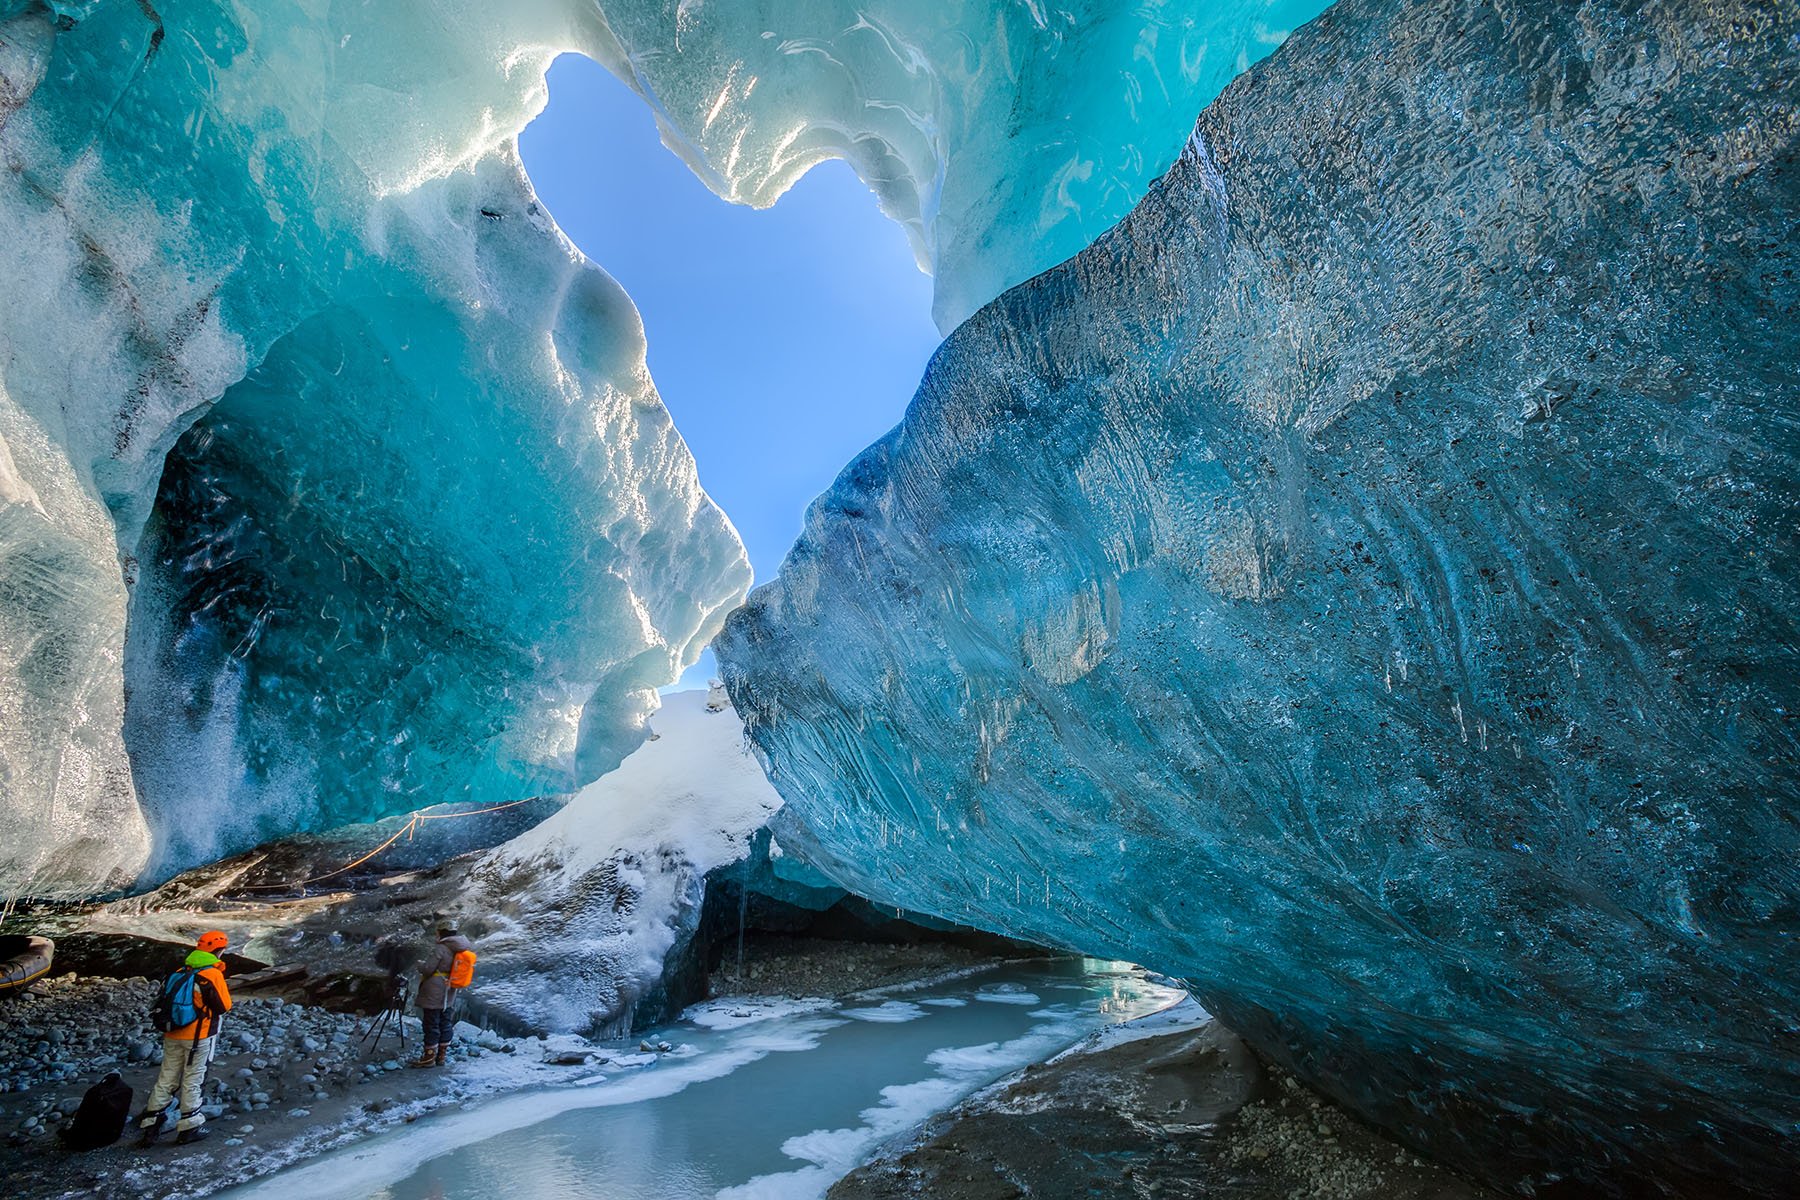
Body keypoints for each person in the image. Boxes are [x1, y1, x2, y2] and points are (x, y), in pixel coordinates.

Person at [137, 930, 233, 1145]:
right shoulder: (212, 974)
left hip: (173, 1032)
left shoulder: (181, 971)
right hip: (199, 1035)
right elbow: (223, 1006)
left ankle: (151, 1125)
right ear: (219, 950)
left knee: (167, 1076)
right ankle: (189, 1126)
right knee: (194, 1078)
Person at [412, 920, 473, 1069]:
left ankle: (428, 1057)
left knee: (431, 1021)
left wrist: (419, 964)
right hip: (450, 988)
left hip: (435, 988)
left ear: (441, 932)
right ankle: (441, 1056)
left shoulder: (441, 948)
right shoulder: (460, 948)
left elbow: (428, 969)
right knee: (445, 1021)